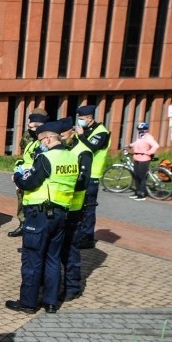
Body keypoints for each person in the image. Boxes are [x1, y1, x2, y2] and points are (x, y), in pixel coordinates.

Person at [5, 120, 78, 315]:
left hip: (40, 215)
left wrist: (18, 178)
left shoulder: (47, 159)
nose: (40, 144)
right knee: (53, 259)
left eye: (41, 141)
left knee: (32, 260)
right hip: (61, 214)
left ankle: (28, 303)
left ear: (47, 138)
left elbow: (31, 183)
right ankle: (51, 302)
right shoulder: (71, 157)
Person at [59, 117, 93, 302]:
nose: (61, 138)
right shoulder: (62, 149)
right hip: (57, 207)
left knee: (70, 250)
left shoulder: (83, 152)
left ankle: (73, 287)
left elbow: (82, 182)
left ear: (72, 131)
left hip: (74, 208)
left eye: (63, 134)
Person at [73, 104, 110, 248]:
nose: (80, 121)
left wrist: (81, 135)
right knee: (79, 207)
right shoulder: (85, 130)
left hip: (92, 176)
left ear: (89, 118)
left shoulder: (101, 132)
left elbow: (91, 148)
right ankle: (79, 234)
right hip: (81, 173)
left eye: (82, 118)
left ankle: (87, 238)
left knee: (88, 208)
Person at [7, 108, 49, 237]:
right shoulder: (27, 136)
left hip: (36, 176)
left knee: (34, 205)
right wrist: (17, 172)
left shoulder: (47, 138)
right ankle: (22, 224)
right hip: (24, 175)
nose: (32, 129)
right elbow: (24, 155)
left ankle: (31, 228)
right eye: (30, 126)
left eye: (35, 126)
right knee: (21, 200)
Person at [128, 122, 160, 201]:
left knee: (142, 177)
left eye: (142, 129)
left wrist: (149, 152)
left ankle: (142, 194)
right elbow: (137, 143)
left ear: (146, 129)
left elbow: (156, 145)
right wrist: (130, 145)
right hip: (136, 158)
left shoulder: (148, 137)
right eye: (139, 129)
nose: (141, 130)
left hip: (144, 158)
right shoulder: (140, 136)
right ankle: (137, 192)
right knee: (136, 176)